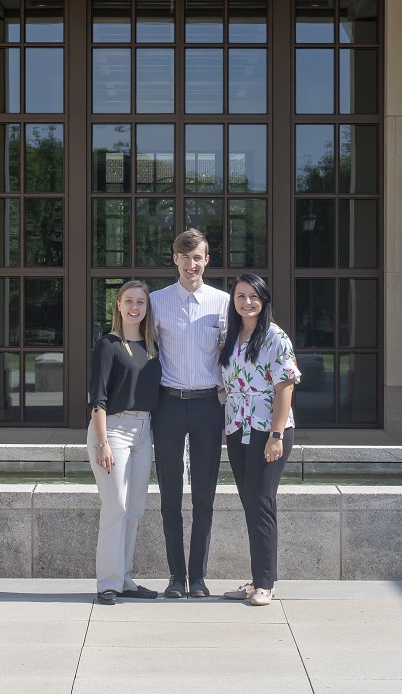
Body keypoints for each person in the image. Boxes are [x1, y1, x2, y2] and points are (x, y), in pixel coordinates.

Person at [150, 228, 230, 599]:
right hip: (168, 405)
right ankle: (174, 577)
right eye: (185, 257)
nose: (192, 264)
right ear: (175, 259)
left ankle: (197, 577)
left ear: (206, 259)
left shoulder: (224, 303)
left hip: (207, 407)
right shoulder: (156, 302)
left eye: (198, 257)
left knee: (203, 497)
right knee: (169, 496)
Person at [219, 273, 301, 606]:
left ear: (263, 300)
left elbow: (286, 388)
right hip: (238, 428)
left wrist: (276, 435)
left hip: (269, 430)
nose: (247, 302)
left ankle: (266, 583)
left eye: (254, 296)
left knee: (262, 502)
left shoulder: (275, 337)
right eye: (240, 296)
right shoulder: (231, 336)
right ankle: (256, 580)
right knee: (250, 503)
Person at [87, 280, 162, 606]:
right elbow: (97, 399)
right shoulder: (107, 345)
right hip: (112, 431)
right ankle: (107, 583)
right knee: (115, 506)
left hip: (143, 432)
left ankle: (125, 578)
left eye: (141, 302)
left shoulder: (153, 347)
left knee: (133, 510)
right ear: (117, 305)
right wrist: (102, 443)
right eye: (128, 301)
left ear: (147, 308)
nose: (135, 307)